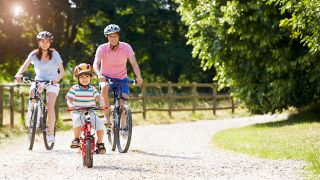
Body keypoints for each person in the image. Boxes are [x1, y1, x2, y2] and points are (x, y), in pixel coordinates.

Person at [15, 31, 65, 143]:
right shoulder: (33, 54)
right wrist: (19, 74)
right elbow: (25, 66)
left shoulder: (55, 54)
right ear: (39, 42)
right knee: (33, 91)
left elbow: (62, 71)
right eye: (43, 41)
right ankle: (32, 119)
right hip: (39, 80)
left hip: (52, 81)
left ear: (50, 43)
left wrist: (57, 78)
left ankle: (51, 132)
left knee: (50, 105)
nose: (45, 43)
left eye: (47, 41)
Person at [93, 24, 143, 125]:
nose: (113, 38)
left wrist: (138, 77)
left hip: (122, 78)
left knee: (123, 102)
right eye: (110, 36)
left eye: (115, 36)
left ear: (119, 36)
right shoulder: (102, 48)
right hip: (106, 78)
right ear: (107, 37)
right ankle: (106, 116)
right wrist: (99, 74)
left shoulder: (126, 47)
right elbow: (96, 63)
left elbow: (134, 64)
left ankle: (123, 124)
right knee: (104, 88)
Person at [65, 63, 106, 154]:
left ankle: (100, 143)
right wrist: (71, 105)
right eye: (82, 77)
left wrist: (102, 103)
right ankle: (76, 139)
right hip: (78, 112)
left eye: (87, 76)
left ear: (90, 78)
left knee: (100, 126)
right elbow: (69, 99)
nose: (85, 79)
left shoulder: (93, 89)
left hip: (91, 112)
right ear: (78, 78)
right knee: (77, 120)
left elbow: (99, 98)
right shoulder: (74, 88)